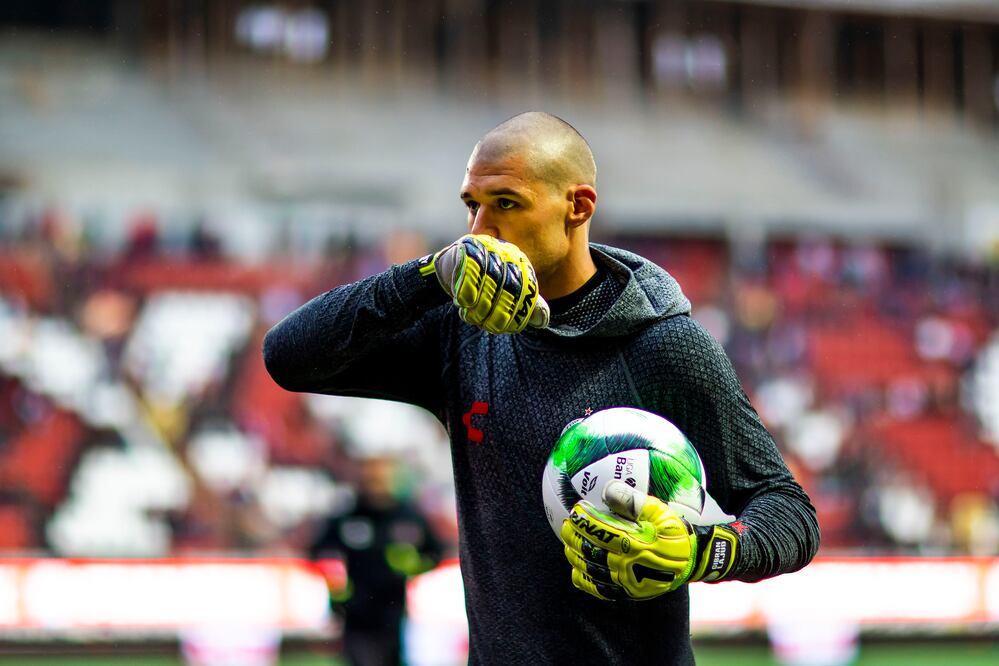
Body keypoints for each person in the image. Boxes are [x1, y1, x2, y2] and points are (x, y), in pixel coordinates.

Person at [265, 111, 820, 665]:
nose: (480, 230)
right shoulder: (460, 333)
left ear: (578, 207)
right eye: (471, 206)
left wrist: (705, 550)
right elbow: (289, 357)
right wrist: (426, 275)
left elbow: (789, 512)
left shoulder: (664, 346)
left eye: (506, 203)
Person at [310, 455, 443, 666]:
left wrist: (409, 568)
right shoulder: (348, 516)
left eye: (380, 477)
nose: (376, 483)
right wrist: (339, 589)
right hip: (355, 612)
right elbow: (320, 553)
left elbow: (435, 553)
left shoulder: (407, 517)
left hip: (393, 610)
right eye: (371, 477)